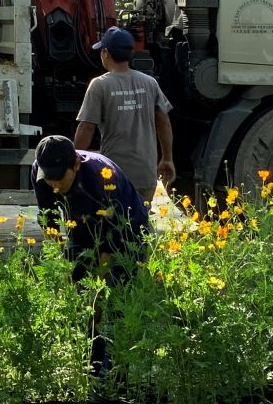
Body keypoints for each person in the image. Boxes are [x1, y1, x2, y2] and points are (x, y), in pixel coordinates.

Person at [31, 134, 151, 378]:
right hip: (82, 228)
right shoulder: (41, 171)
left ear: (75, 164)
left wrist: (100, 279)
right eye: (49, 178)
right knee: (82, 300)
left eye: (59, 178)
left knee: (116, 298)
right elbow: (49, 217)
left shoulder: (102, 177)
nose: (53, 184)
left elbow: (112, 239)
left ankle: (121, 371)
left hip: (126, 230)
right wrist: (63, 264)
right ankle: (92, 362)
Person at [73, 26, 175, 205]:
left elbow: (86, 127)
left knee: (114, 226)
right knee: (139, 224)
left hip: (112, 176)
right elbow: (164, 122)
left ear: (105, 53)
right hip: (146, 176)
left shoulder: (99, 85)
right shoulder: (149, 83)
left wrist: (74, 160)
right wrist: (167, 158)